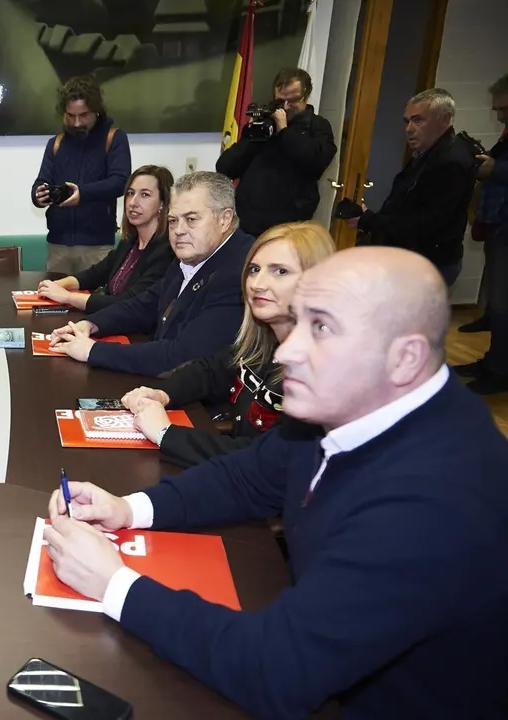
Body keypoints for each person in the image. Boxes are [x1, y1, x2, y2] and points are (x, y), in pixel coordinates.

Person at [43, 246, 508, 718]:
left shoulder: (434, 501)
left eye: (321, 328)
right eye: (298, 322)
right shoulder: (347, 405)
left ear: (405, 358)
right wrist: (127, 508)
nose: (285, 351)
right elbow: (248, 477)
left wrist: (113, 584)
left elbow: (276, 669)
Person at [122, 221, 335, 468]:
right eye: (254, 269)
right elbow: (210, 371)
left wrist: (165, 433)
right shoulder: (262, 343)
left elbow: (268, 461)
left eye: (280, 271)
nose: (257, 284)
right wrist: (162, 393)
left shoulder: (322, 371)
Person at [48, 171, 255, 377]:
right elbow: (145, 304)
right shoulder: (193, 253)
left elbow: (180, 355)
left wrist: (92, 350)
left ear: (225, 219)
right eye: (173, 220)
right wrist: (90, 324)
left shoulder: (240, 272)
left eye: (191, 219)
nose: (178, 230)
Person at [349, 88, 478, 286]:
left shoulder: (450, 161)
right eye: (407, 121)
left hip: (429, 262)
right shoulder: (429, 153)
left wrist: (370, 221)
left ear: (444, 120)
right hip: (416, 257)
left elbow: (428, 223)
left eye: (418, 120)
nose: (409, 129)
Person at [36, 165, 176, 312]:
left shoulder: (166, 251)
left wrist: (68, 297)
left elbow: (129, 303)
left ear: (162, 203)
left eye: (145, 195)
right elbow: (96, 274)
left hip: (135, 325)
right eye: (130, 193)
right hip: (109, 320)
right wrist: (59, 284)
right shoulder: (130, 241)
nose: (133, 202)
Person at [216, 68, 337, 237]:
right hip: (247, 223)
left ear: (306, 95)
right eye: (280, 101)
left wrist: (284, 131)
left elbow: (316, 162)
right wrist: (252, 135)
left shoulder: (317, 126)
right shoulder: (264, 125)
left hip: (289, 227)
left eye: (293, 100)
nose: (286, 107)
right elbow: (225, 167)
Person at [30, 75, 132, 274]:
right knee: (53, 295)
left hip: (97, 246)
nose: (76, 123)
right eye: (71, 116)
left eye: (83, 115)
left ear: (96, 111)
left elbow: (121, 182)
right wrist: (38, 195)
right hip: (57, 244)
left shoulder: (114, 138)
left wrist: (82, 193)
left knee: (96, 295)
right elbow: (42, 181)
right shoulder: (56, 143)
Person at [455, 73, 508, 395]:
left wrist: (495, 169)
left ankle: (500, 372)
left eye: (504, 109)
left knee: (503, 306)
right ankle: (492, 362)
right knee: (497, 302)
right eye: (497, 109)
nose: (500, 116)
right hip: (498, 223)